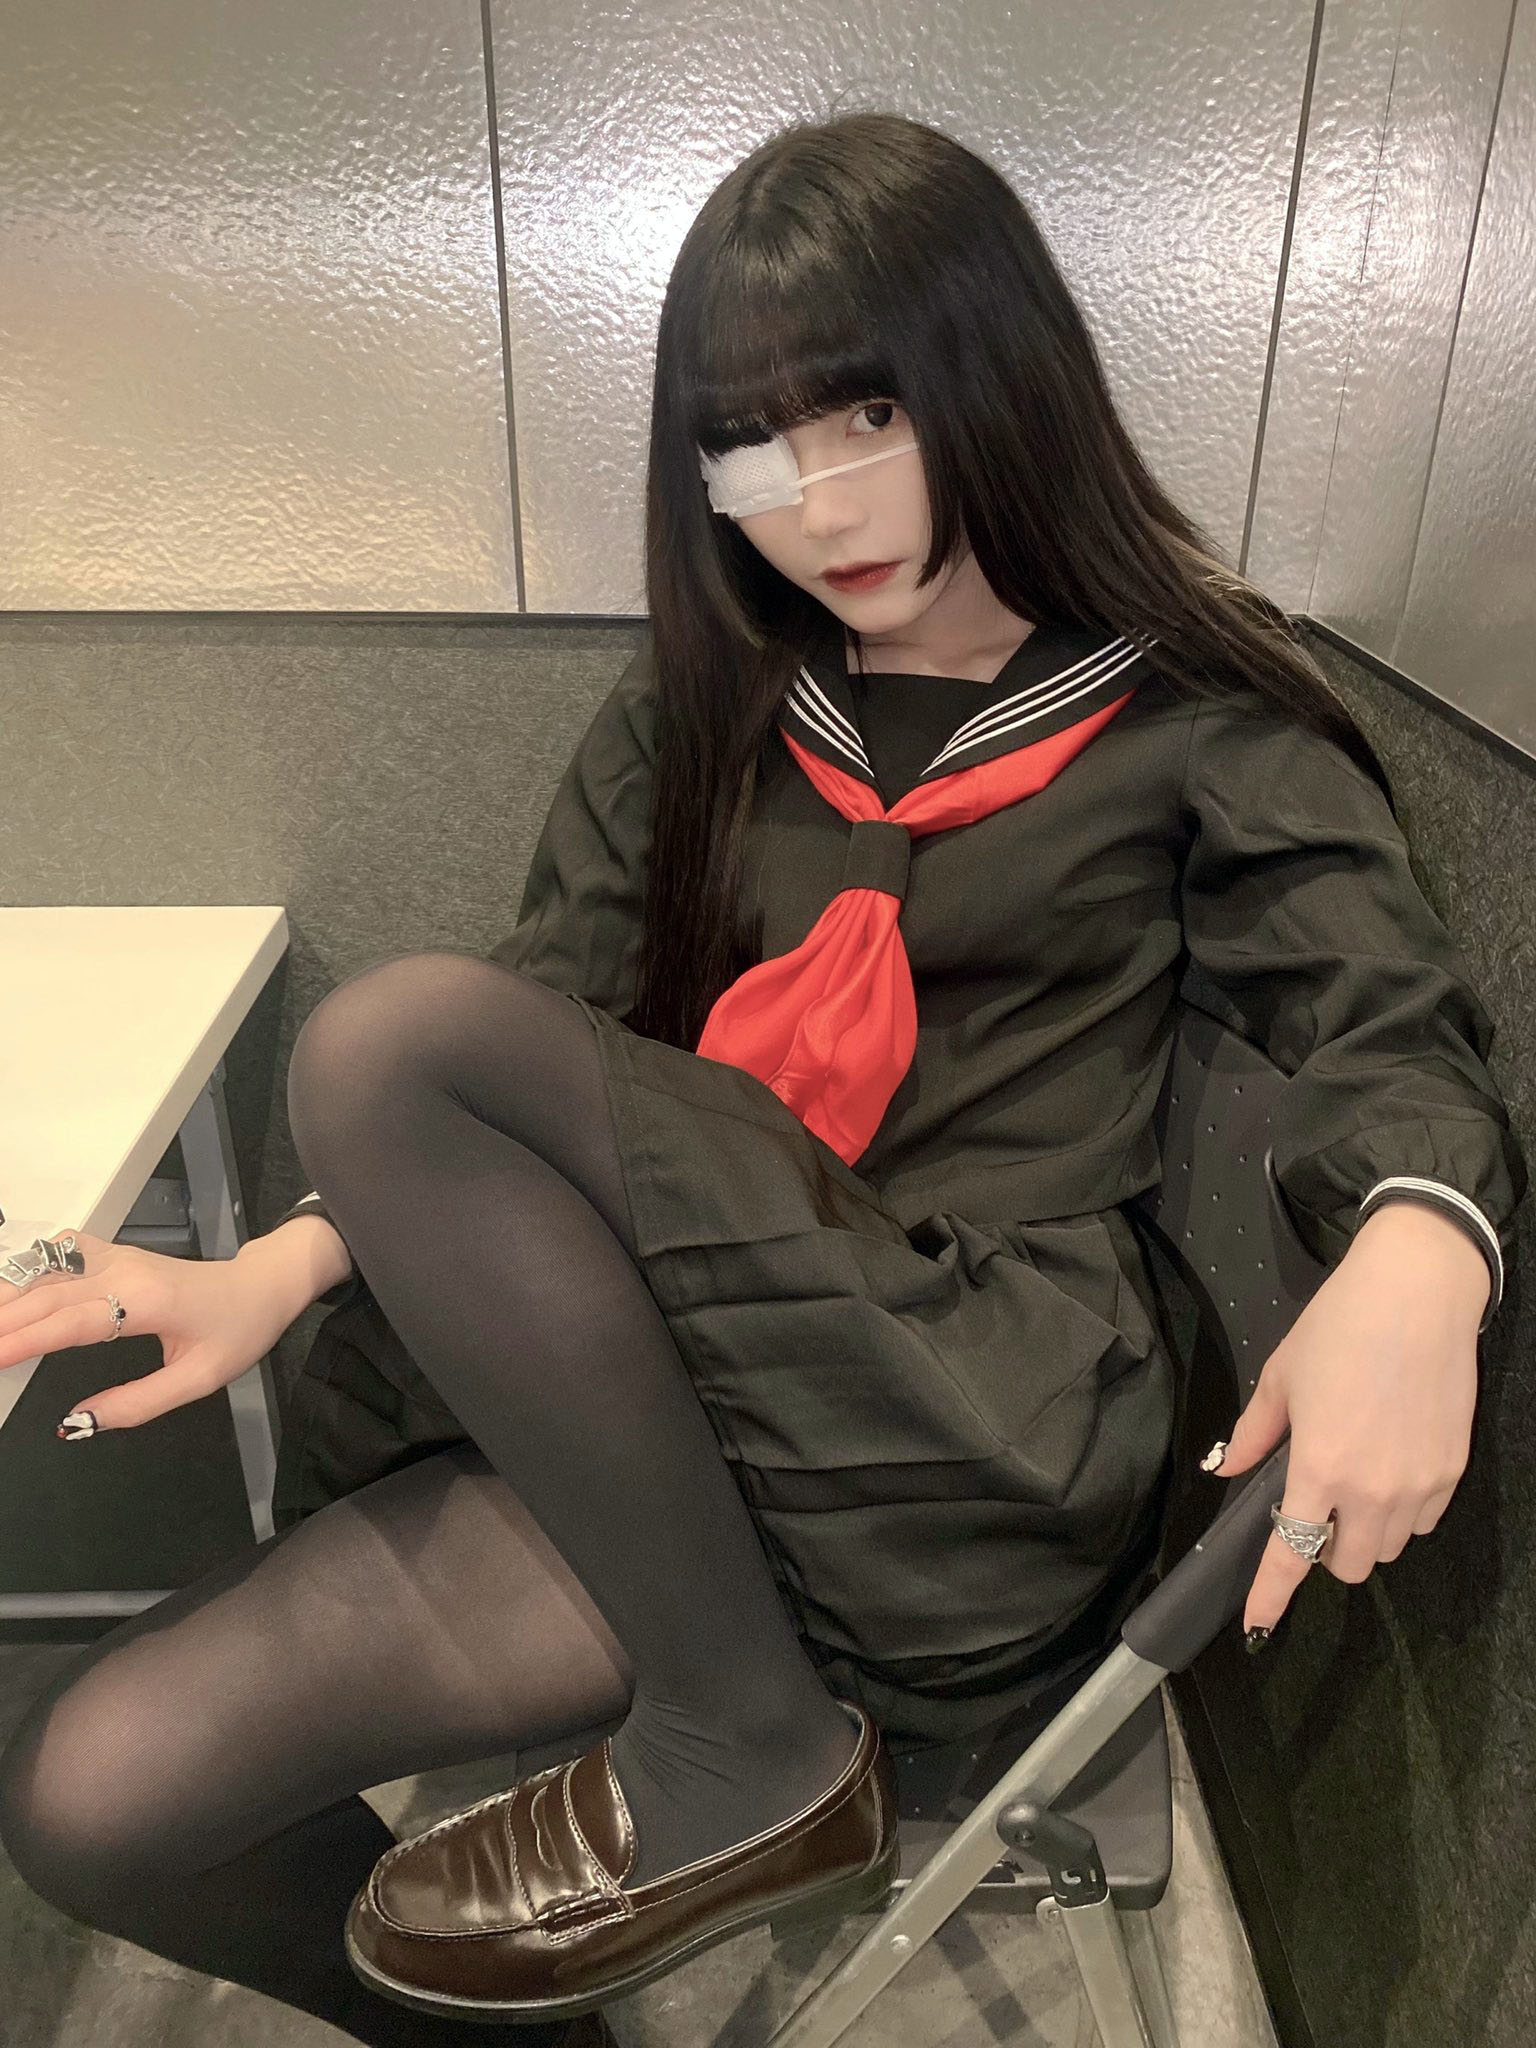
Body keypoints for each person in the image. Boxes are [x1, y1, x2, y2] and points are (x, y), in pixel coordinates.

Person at [0, 108, 1525, 2045]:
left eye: (870, 415)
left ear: (1001, 373)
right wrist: (280, 1266)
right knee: (91, 1795)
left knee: (387, 1036)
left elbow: (1389, 1020)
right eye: (752, 446)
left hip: (956, 1438)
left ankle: (749, 1754)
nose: (818, 501)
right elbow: (550, 1013)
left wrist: (1423, 1249)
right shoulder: (704, 705)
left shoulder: (1193, 716)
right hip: (674, 1440)